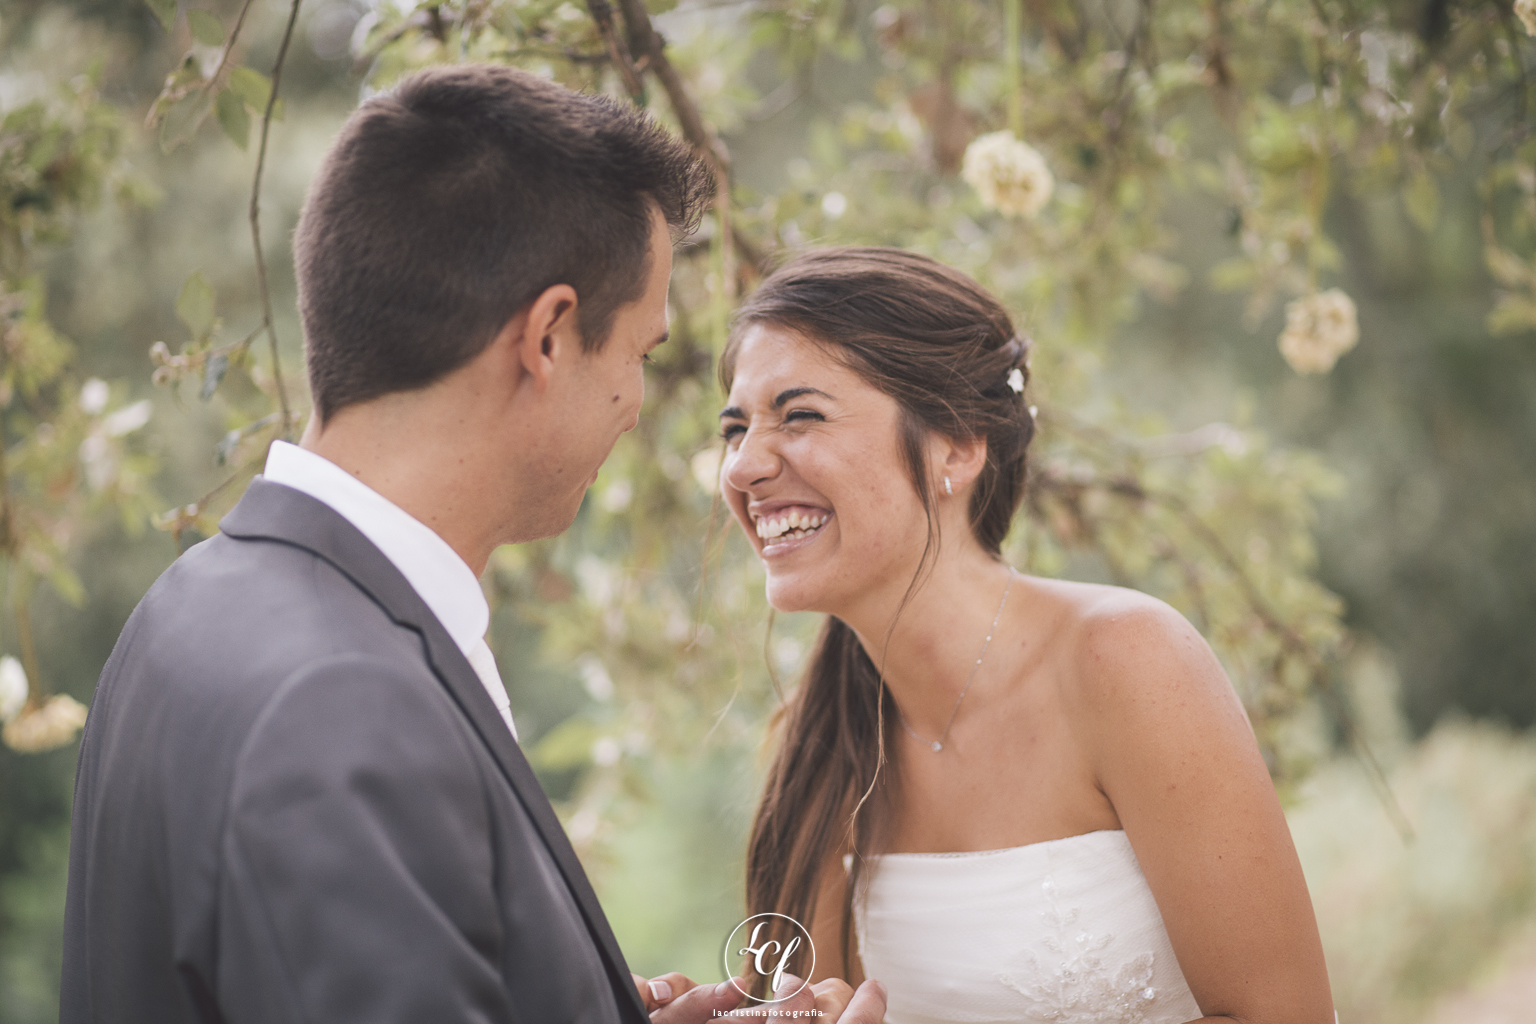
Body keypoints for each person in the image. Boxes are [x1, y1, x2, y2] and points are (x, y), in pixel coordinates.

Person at [59, 64, 885, 1024]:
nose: (635, 406)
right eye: (641, 355)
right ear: (547, 337)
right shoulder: (342, 704)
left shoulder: (194, 601)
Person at [718, 247, 1336, 1024]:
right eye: (734, 429)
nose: (744, 466)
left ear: (959, 445)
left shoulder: (1128, 661)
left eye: (799, 414)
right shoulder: (817, 749)